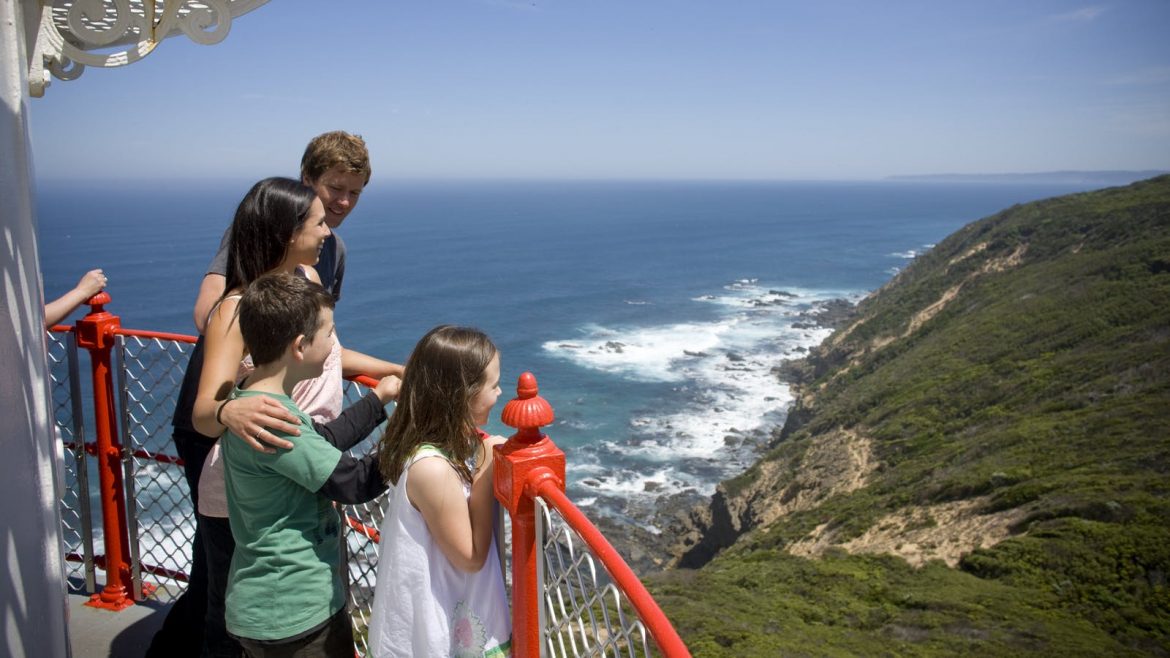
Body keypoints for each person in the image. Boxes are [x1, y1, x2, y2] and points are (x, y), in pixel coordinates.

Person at [222, 272, 397, 656]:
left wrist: (378, 398)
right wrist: (413, 437)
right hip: (295, 610)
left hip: (266, 602)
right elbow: (353, 483)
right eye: (329, 333)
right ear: (300, 346)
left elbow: (322, 441)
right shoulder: (273, 420)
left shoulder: (255, 400)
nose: (334, 343)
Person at [367, 325, 512, 657]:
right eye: (493, 385)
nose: (500, 392)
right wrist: (486, 468)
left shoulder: (434, 449)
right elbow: (471, 557)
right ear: (463, 394)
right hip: (431, 638)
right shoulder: (431, 468)